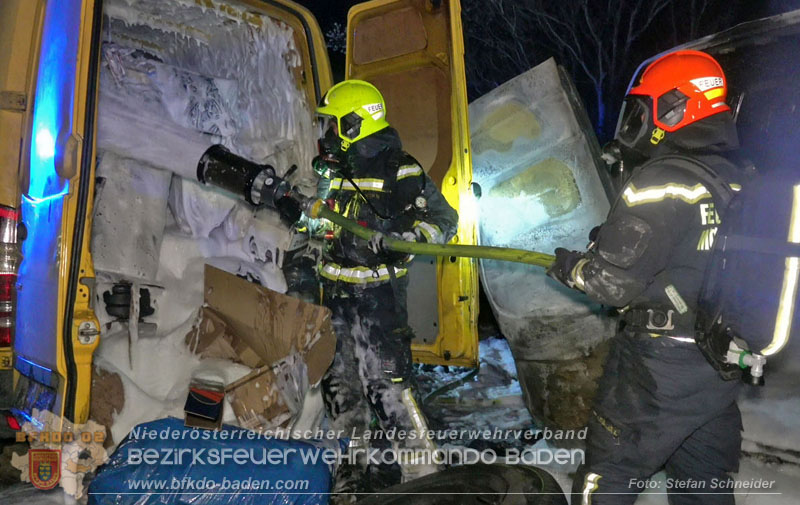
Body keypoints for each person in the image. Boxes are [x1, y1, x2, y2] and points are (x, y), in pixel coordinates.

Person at [546, 50, 747, 505]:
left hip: (657, 370)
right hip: (716, 365)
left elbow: (609, 284)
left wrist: (571, 266)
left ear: (675, 107)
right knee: (704, 488)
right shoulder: (734, 179)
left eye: (644, 108)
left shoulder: (661, 180)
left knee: (608, 477)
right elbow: (689, 251)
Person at [311, 80, 458, 499]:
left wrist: (405, 239)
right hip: (337, 301)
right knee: (342, 391)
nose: (327, 134)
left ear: (354, 123)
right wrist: (299, 212)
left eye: (333, 124)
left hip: (379, 301)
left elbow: (445, 220)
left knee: (389, 389)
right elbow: (320, 224)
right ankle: (351, 474)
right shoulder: (335, 171)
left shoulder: (401, 168)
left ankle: (423, 477)